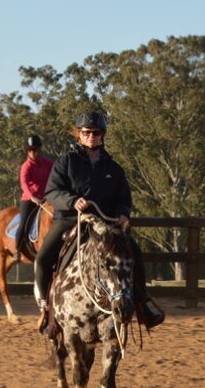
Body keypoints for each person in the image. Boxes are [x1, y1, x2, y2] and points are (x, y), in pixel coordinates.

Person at [33, 111, 164, 330]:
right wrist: (72, 201)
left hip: (106, 222)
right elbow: (52, 192)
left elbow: (124, 198)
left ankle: (142, 304)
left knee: (133, 252)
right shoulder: (66, 162)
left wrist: (123, 213)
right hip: (70, 220)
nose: (91, 136)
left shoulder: (114, 168)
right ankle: (46, 309)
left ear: (102, 135)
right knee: (43, 258)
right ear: (79, 135)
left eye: (96, 132)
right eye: (86, 132)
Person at [15, 134, 53, 262]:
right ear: (27, 151)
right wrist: (32, 197)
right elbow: (24, 183)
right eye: (31, 150)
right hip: (30, 200)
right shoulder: (26, 166)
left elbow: (56, 172)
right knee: (23, 223)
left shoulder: (47, 163)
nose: (34, 153)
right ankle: (17, 250)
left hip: (46, 199)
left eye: (36, 150)